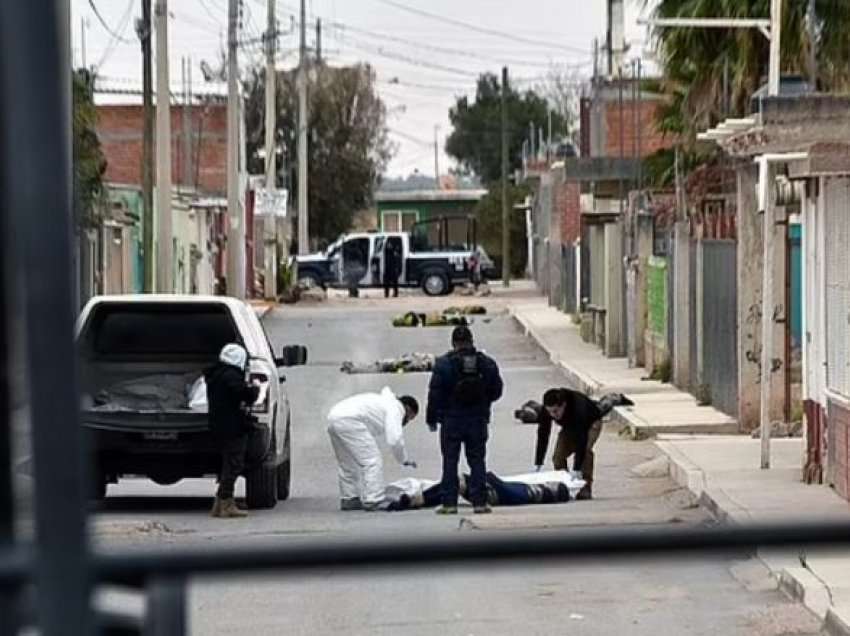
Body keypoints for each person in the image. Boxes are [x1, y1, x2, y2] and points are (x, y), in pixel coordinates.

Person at [427, 326, 503, 514]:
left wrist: (432, 418)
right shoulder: (487, 363)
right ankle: (480, 502)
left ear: (453, 343)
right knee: (477, 460)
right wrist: (483, 402)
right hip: (477, 420)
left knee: (450, 461)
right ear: (472, 341)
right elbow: (497, 391)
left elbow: (434, 394)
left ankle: (449, 503)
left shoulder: (443, 364)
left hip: (451, 420)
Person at [327, 388, 420, 511]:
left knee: (347, 462)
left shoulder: (383, 402)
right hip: (351, 421)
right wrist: (403, 459)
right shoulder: (396, 408)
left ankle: (349, 498)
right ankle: (373, 499)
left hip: (334, 417)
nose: (406, 422)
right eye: (409, 418)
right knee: (372, 460)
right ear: (408, 409)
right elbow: (395, 439)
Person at [534, 388, 633, 500]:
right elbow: (543, 434)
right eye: (550, 412)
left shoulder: (578, 407)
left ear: (564, 405)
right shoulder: (546, 411)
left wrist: (576, 469)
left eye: (556, 411)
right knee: (558, 457)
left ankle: (585, 488)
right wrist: (538, 462)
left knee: (585, 451)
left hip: (590, 423)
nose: (553, 415)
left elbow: (582, 439)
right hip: (569, 427)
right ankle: (565, 486)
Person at [205, 343, 261, 519]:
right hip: (232, 427)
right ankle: (225, 501)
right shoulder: (231, 376)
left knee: (229, 463)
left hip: (219, 425)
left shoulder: (215, 375)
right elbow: (244, 394)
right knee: (234, 464)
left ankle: (220, 504)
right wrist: (255, 389)